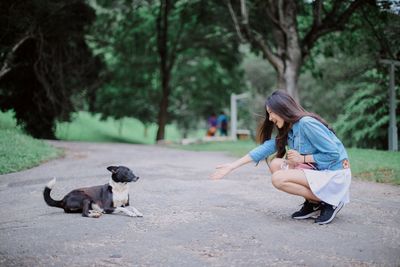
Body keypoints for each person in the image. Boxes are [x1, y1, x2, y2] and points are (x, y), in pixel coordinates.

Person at [211, 90, 351, 225]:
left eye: (271, 113)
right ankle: (314, 203)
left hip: (335, 174)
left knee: (278, 178)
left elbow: (333, 155)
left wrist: (302, 159)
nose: (270, 118)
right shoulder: (290, 131)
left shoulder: (306, 123)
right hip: (321, 173)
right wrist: (232, 166)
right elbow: (263, 149)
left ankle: (331, 201)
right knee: (276, 164)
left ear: (282, 108)